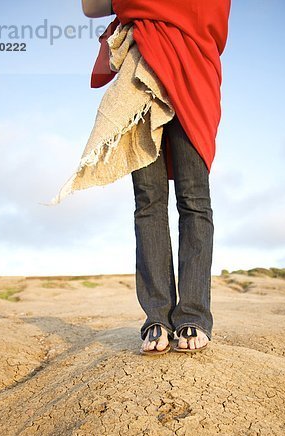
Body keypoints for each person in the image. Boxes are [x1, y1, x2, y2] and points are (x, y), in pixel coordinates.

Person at [82, 0, 229, 355]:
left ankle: (193, 313)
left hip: (194, 77)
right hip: (142, 78)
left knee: (194, 201)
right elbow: (89, 6)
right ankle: (157, 318)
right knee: (148, 202)